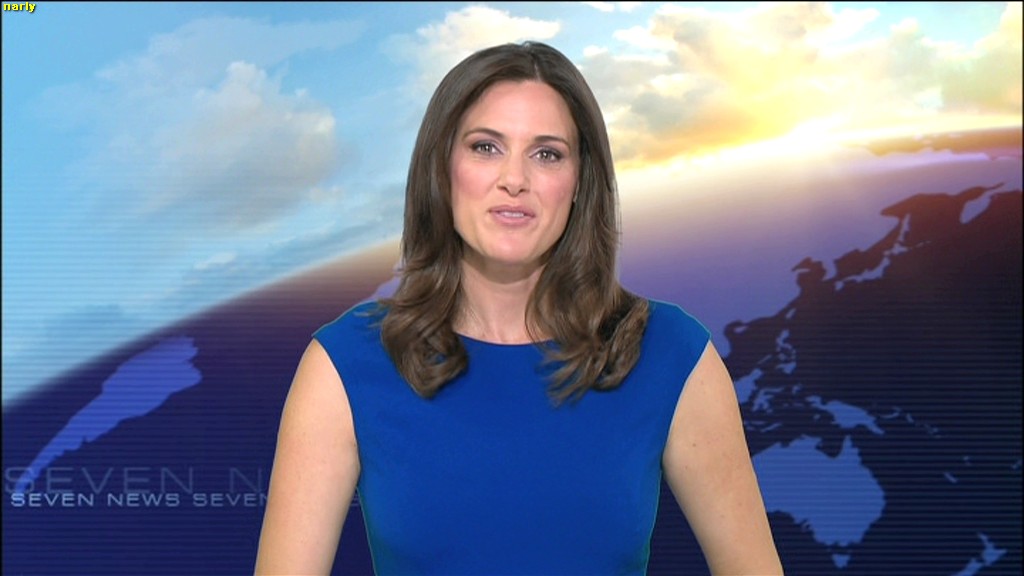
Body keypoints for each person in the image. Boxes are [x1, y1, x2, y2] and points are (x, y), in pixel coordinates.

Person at [255, 40, 783, 575]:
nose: (515, 179)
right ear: (442, 167)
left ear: (579, 182)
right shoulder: (346, 364)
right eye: (486, 147)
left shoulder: (672, 355)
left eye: (546, 153)